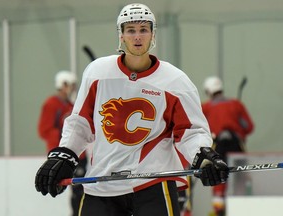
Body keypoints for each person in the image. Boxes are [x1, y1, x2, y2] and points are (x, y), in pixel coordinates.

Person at [35, 4, 229, 216]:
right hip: (102, 183)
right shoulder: (97, 72)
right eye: (131, 30)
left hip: (153, 182)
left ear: (153, 34)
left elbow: (191, 132)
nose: (138, 37)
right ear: (121, 35)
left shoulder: (175, 81)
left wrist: (204, 156)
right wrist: (64, 155)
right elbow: (80, 123)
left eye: (144, 30)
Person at [201, 76, 254, 216]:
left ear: (208, 91)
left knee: (218, 174)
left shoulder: (205, 107)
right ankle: (240, 207)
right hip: (237, 146)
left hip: (218, 146)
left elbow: (200, 129)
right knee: (241, 175)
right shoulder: (236, 104)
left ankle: (219, 207)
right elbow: (249, 127)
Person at [37, 70, 87, 216]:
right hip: (63, 154)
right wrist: (60, 141)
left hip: (79, 155)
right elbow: (44, 130)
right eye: (70, 85)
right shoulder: (51, 104)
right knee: (77, 188)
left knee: (81, 188)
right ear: (63, 84)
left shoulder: (71, 105)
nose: (72, 88)